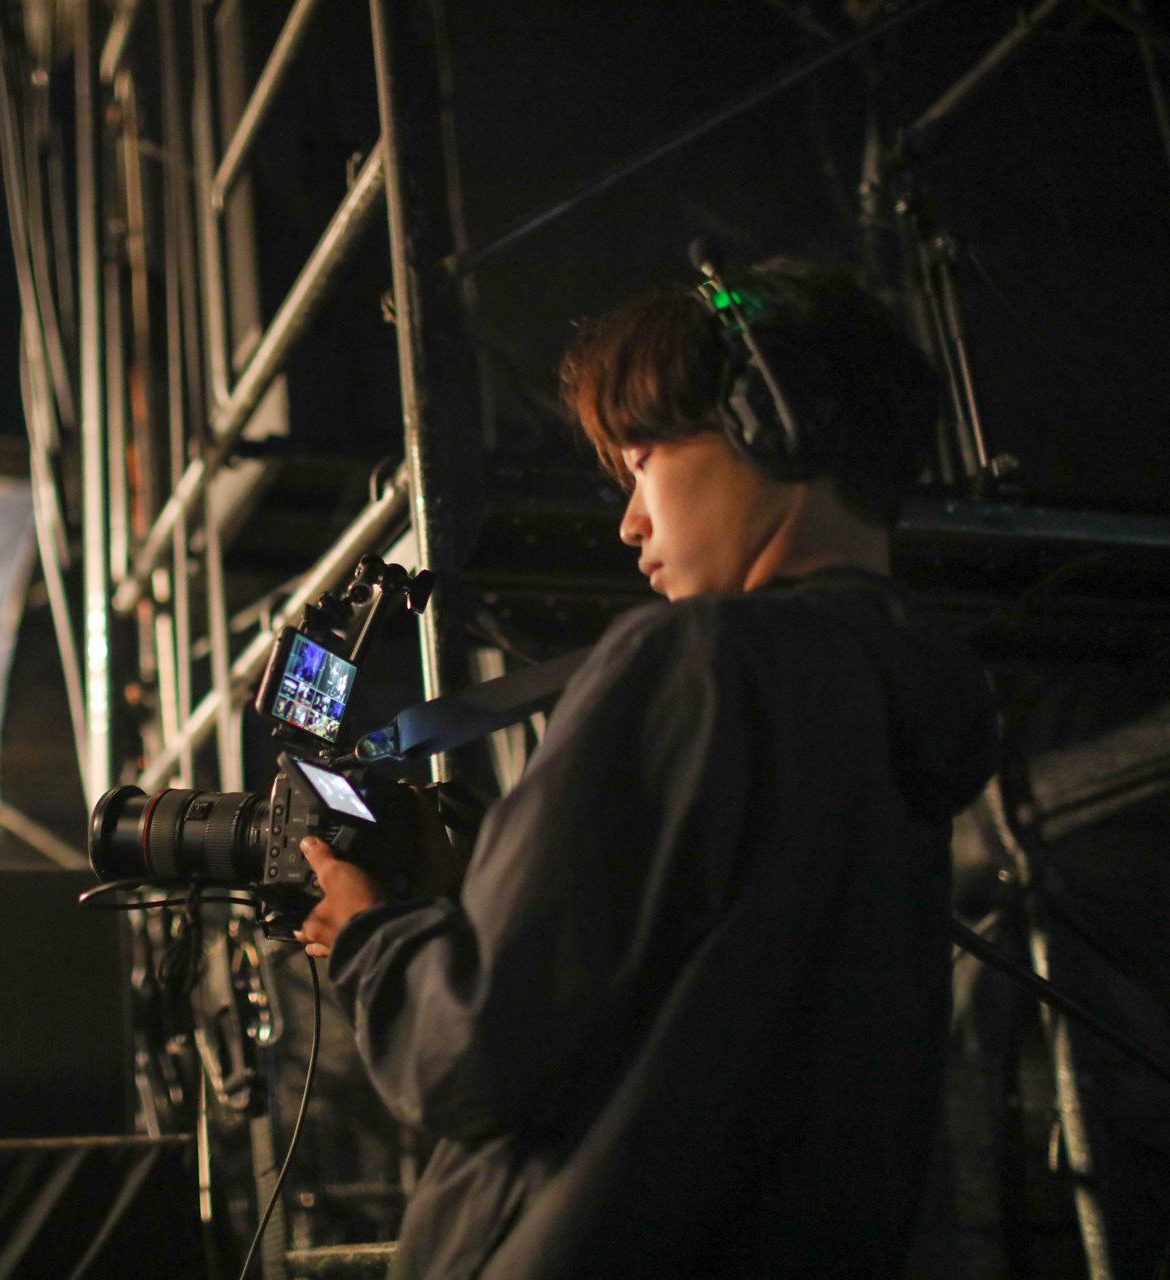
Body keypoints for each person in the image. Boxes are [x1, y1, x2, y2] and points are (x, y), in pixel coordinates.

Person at [293, 258, 1002, 1277]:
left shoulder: (697, 662)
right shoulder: (904, 701)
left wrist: (371, 933)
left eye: (642, 461)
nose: (629, 521)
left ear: (772, 426)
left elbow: (472, 1054)